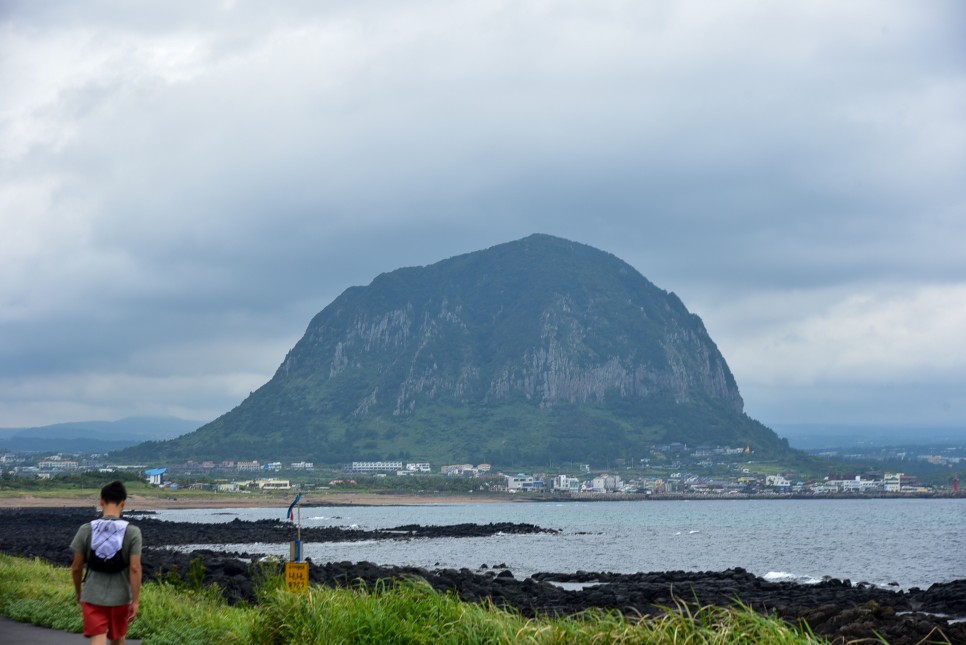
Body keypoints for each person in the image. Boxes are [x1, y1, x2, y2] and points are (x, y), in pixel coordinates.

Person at [71, 480, 143, 645]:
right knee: (118, 639)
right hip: (121, 597)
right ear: (123, 503)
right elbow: (135, 567)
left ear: (101, 502)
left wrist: (79, 592)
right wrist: (135, 600)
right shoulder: (132, 532)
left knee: (98, 636)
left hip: (93, 595)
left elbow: (76, 567)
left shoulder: (86, 529)